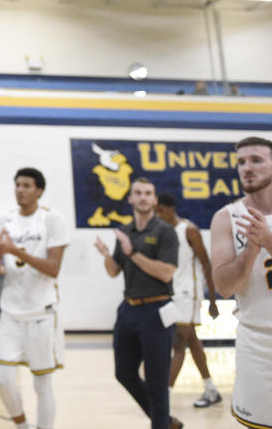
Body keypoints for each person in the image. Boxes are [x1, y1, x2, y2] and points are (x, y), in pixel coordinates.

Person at [211, 136, 272, 429]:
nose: (247, 167)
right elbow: (224, 286)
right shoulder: (225, 218)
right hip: (257, 340)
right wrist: (250, 250)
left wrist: (269, 240)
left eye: (256, 160)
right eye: (241, 162)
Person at [0, 167, 70, 429]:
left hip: (41, 312)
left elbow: (53, 268)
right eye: (17, 185)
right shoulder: (4, 219)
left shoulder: (52, 220)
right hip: (10, 310)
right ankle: (22, 425)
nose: (20, 190)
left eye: (27, 185)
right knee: (2, 380)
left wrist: (14, 250)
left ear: (39, 191)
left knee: (42, 382)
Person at [93, 177, 181, 429]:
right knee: (123, 373)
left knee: (156, 380)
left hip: (157, 310)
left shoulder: (165, 232)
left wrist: (133, 253)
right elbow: (114, 271)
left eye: (148, 193)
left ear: (154, 199)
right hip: (129, 309)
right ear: (130, 198)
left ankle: (161, 423)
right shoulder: (126, 231)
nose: (143, 197)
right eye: (138, 193)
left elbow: (166, 273)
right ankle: (164, 420)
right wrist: (107, 256)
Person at [155, 192, 222, 407]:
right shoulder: (162, 232)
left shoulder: (189, 230)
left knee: (179, 344)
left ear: (171, 209)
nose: (158, 215)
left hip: (188, 295)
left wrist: (212, 299)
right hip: (171, 295)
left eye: (161, 211)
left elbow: (206, 264)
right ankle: (211, 389)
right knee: (193, 343)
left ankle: (163, 396)